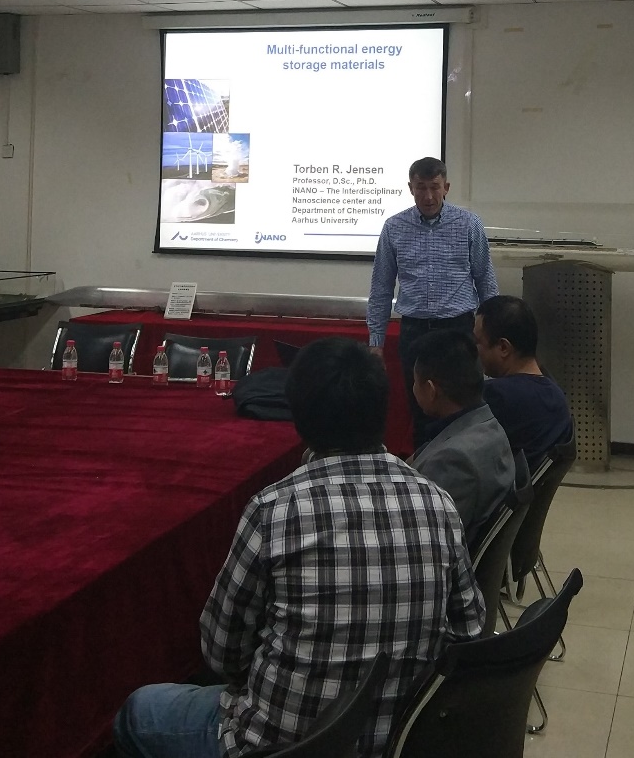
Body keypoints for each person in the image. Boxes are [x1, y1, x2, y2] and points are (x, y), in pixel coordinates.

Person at [113, 338, 486, 758]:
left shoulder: (273, 510)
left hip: (276, 746)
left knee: (138, 712)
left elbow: (221, 653)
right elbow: (469, 630)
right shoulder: (437, 502)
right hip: (400, 740)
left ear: (299, 418)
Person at [367, 157, 498, 448]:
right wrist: (376, 342)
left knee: (464, 407)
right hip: (415, 331)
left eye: (434, 187)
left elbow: (486, 282)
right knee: (422, 412)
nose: (428, 196)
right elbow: (381, 288)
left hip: (458, 330)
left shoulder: (469, 224)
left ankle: (465, 464)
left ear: (446, 187)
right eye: (421, 187)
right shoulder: (394, 227)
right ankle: (425, 469)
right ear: (410, 188)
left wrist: (490, 335)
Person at [409, 328, 516, 549]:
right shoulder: (487, 425)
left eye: (415, 382)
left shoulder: (452, 461)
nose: (413, 388)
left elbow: (424, 542)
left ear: (430, 390)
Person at [473, 295, 573, 469]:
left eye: (477, 341)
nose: (474, 350)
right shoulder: (556, 396)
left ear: (503, 347)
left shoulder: (497, 396)